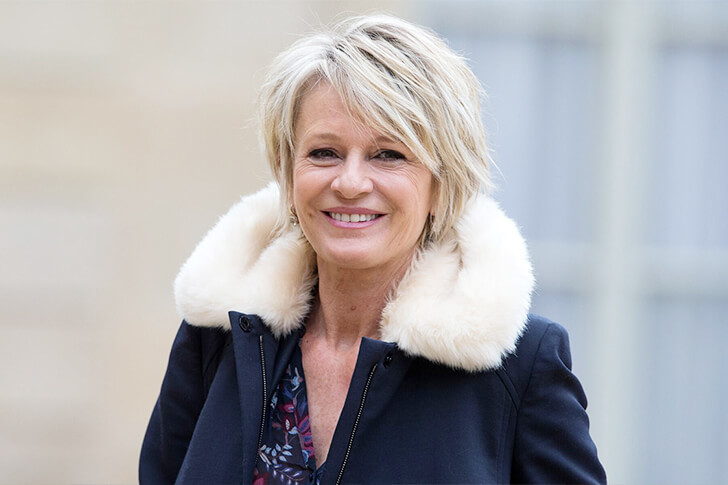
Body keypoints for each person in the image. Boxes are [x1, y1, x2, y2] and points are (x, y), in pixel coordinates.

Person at [140, 14, 606, 484]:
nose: (350, 183)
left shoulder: (520, 367)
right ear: (288, 171)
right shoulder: (219, 337)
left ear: (441, 185)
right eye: (324, 153)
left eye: (389, 155)